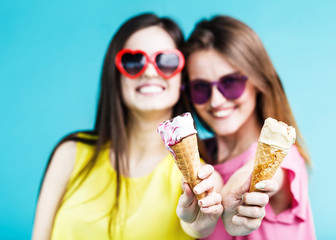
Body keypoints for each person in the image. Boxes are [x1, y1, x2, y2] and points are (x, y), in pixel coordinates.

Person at [32, 13, 223, 240]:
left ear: (182, 78)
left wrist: (200, 222)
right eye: (133, 61)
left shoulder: (200, 178)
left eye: (166, 61)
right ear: (116, 77)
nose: (150, 72)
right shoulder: (71, 154)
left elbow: (198, 224)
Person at [182, 15, 315, 239]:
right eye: (201, 87)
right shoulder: (198, 158)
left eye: (230, 82)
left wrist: (237, 190)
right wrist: (192, 226)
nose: (216, 101)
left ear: (258, 81)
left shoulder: (285, 158)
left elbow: (264, 174)